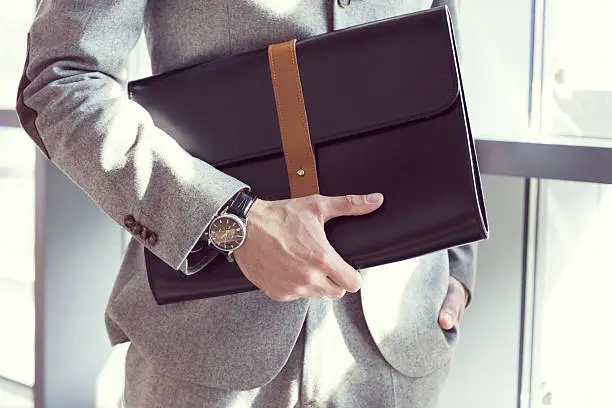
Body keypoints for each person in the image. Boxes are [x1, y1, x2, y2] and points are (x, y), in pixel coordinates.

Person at [17, 0, 475, 407]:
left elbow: (442, 58)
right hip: (208, 353)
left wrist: (457, 264)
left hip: (403, 346)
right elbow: (61, 81)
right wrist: (231, 220)